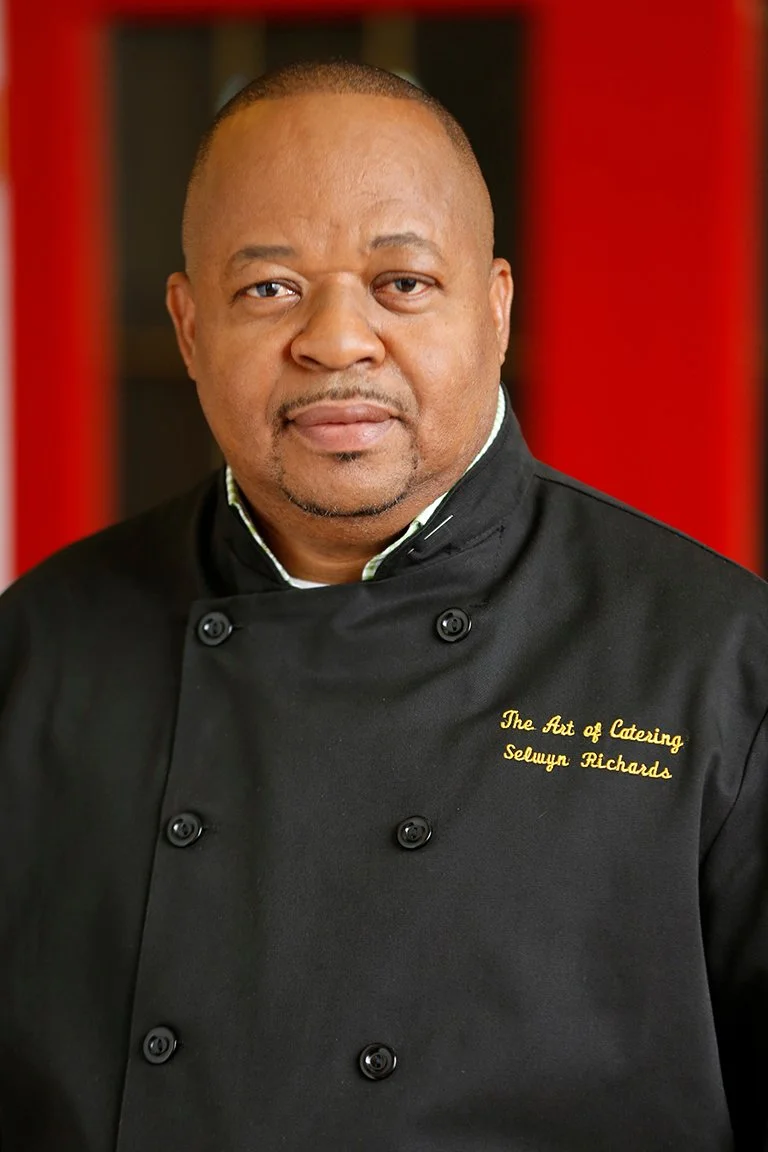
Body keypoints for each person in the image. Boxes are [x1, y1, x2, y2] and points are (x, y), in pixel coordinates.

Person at [0, 60, 766, 1152]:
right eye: (268, 289)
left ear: (495, 308)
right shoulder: (40, 646)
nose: (336, 339)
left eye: (401, 282)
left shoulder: (719, 665)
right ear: (186, 325)